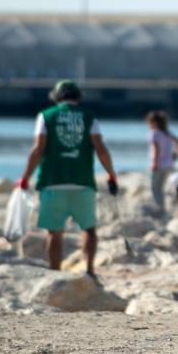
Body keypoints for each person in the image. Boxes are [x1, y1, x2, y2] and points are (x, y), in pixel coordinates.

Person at [17, 80, 118, 281]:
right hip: (82, 181)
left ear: (56, 96)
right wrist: (111, 174)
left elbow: (38, 150)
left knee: (54, 233)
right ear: (78, 96)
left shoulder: (45, 116)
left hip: (52, 181)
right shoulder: (89, 117)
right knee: (89, 228)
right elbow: (100, 149)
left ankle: (55, 274)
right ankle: (89, 270)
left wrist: (25, 178)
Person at [145, 110, 178, 214]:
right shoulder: (167, 133)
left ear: (154, 123)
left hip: (158, 164)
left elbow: (156, 149)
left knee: (155, 188)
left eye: (149, 122)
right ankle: (162, 208)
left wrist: (155, 163)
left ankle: (160, 208)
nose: (148, 125)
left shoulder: (154, 134)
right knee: (161, 187)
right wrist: (175, 155)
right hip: (168, 164)